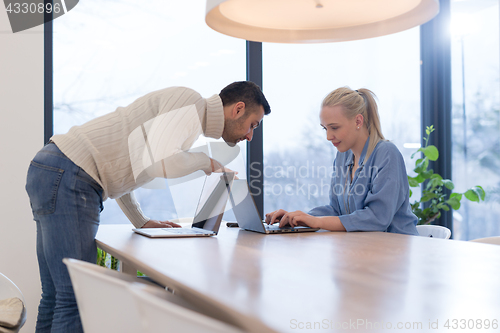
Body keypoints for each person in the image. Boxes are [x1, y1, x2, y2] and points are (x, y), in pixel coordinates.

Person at [25, 81, 271, 333]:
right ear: (238, 109)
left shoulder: (188, 116)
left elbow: (126, 168)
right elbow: (159, 162)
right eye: (253, 124)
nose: (250, 136)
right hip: (71, 174)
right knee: (72, 297)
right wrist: (205, 162)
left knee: (55, 295)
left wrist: (140, 220)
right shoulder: (191, 104)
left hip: (55, 167)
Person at [265, 87, 418, 236]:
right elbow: (337, 211)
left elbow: (377, 218)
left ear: (358, 121)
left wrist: (317, 222)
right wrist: (298, 218)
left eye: (335, 128)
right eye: (325, 128)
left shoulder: (386, 153)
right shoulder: (343, 156)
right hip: (362, 248)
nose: (328, 136)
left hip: (395, 249)